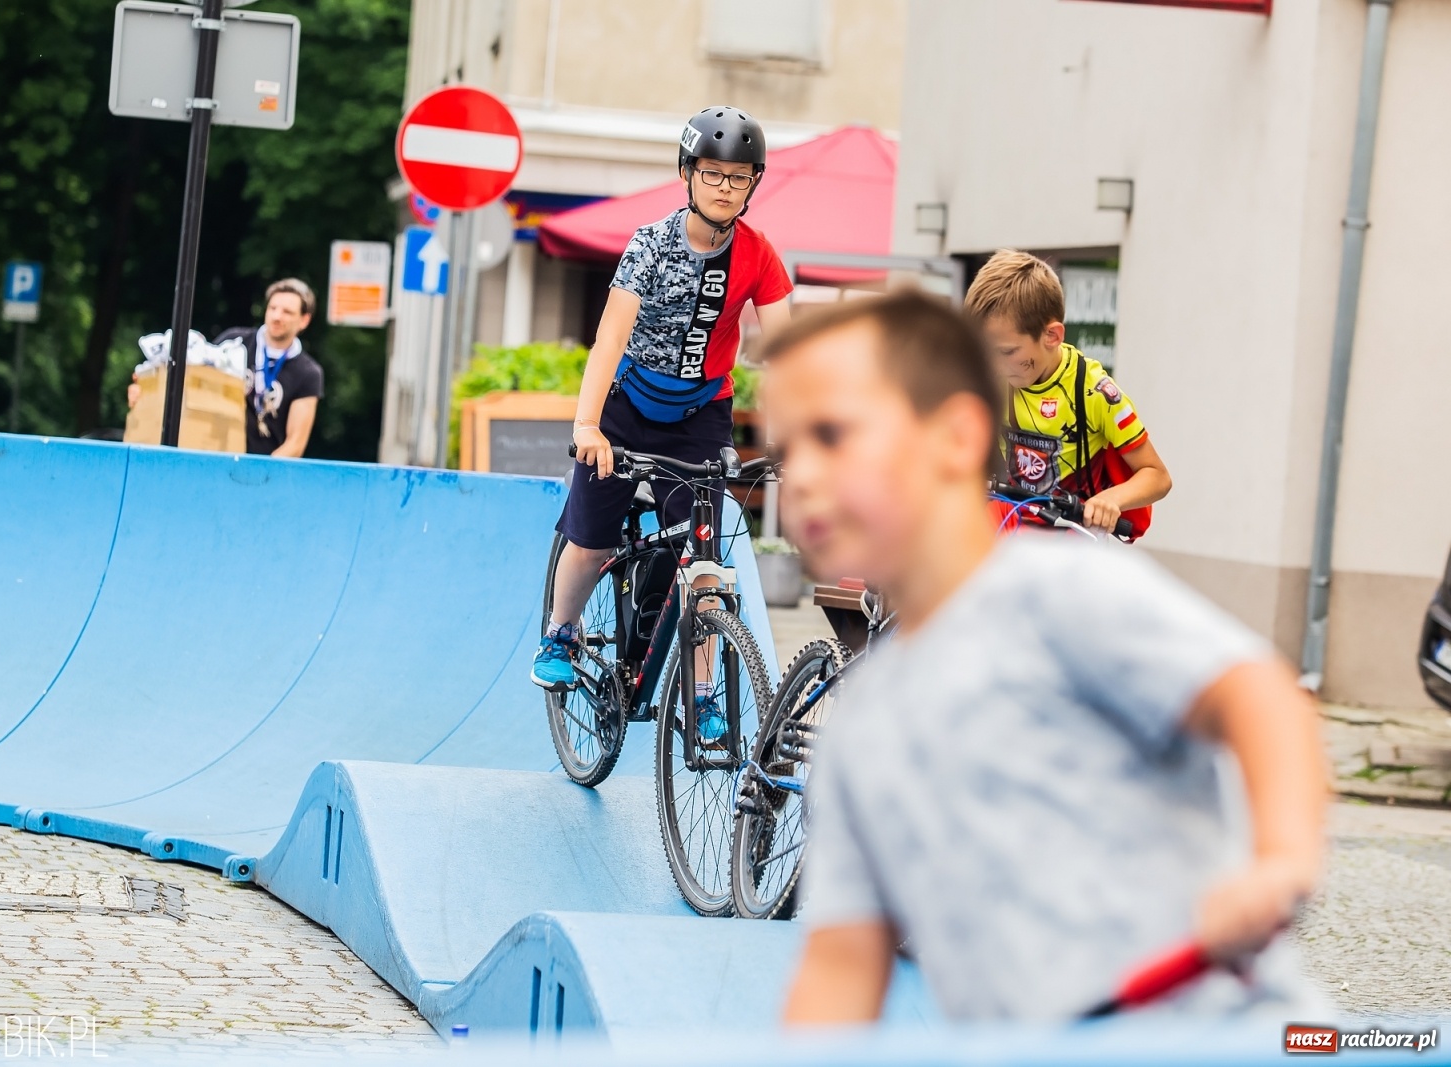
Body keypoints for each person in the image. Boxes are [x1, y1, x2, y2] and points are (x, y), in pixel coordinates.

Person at [761, 291, 1327, 1022]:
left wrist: (1279, 861)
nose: (800, 474)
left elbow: (1262, 697)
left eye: (833, 434)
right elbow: (838, 968)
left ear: (957, 437)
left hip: (1218, 1032)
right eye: (786, 449)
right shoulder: (859, 732)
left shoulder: (1061, 591)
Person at [529, 105, 793, 747]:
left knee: (704, 561)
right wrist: (588, 425)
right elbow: (608, 341)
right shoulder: (651, 243)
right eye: (712, 173)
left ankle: (703, 695)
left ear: (753, 184)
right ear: (688, 174)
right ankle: (562, 632)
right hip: (626, 411)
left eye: (739, 176)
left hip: (701, 416)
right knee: (591, 540)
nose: (725, 186)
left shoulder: (758, 256)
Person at [966, 250, 1170, 537]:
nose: (996, 365)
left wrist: (1111, 500)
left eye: (1008, 352)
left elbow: (1158, 476)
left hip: (1072, 532)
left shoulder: (1094, 392)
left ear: (1052, 336)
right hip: (1008, 525)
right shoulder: (992, 380)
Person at [215, 278, 324, 457]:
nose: (277, 317)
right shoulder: (233, 342)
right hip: (216, 458)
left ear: (304, 320)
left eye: (287, 312)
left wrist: (262, 475)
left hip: (264, 469)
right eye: (273, 308)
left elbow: (295, 443)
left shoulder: (308, 372)